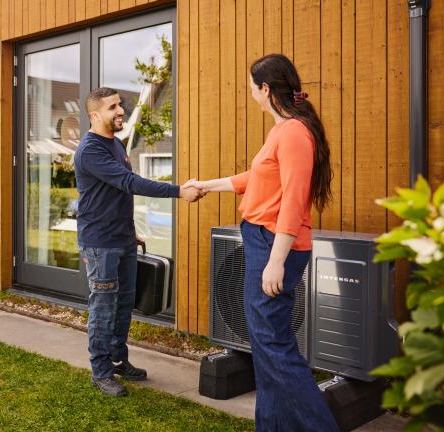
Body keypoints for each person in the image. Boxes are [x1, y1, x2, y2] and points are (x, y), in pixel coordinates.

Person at [188, 54, 338, 431]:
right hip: (263, 240)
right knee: (266, 346)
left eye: (252, 87)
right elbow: (256, 177)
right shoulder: (283, 129)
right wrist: (208, 185)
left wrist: (276, 260)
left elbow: (294, 199)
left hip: (273, 244)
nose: (250, 93)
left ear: (266, 90)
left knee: (273, 346)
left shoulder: (292, 132)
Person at [74, 87, 202, 397]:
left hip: (123, 239)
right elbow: (129, 182)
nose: (120, 111)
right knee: (103, 307)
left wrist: (131, 230)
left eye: (120, 105)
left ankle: (118, 360)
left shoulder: (115, 145)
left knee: (123, 305)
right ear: (95, 115)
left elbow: (118, 194)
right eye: (112, 107)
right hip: (100, 243)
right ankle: (101, 371)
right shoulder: (90, 150)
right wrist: (178, 191)